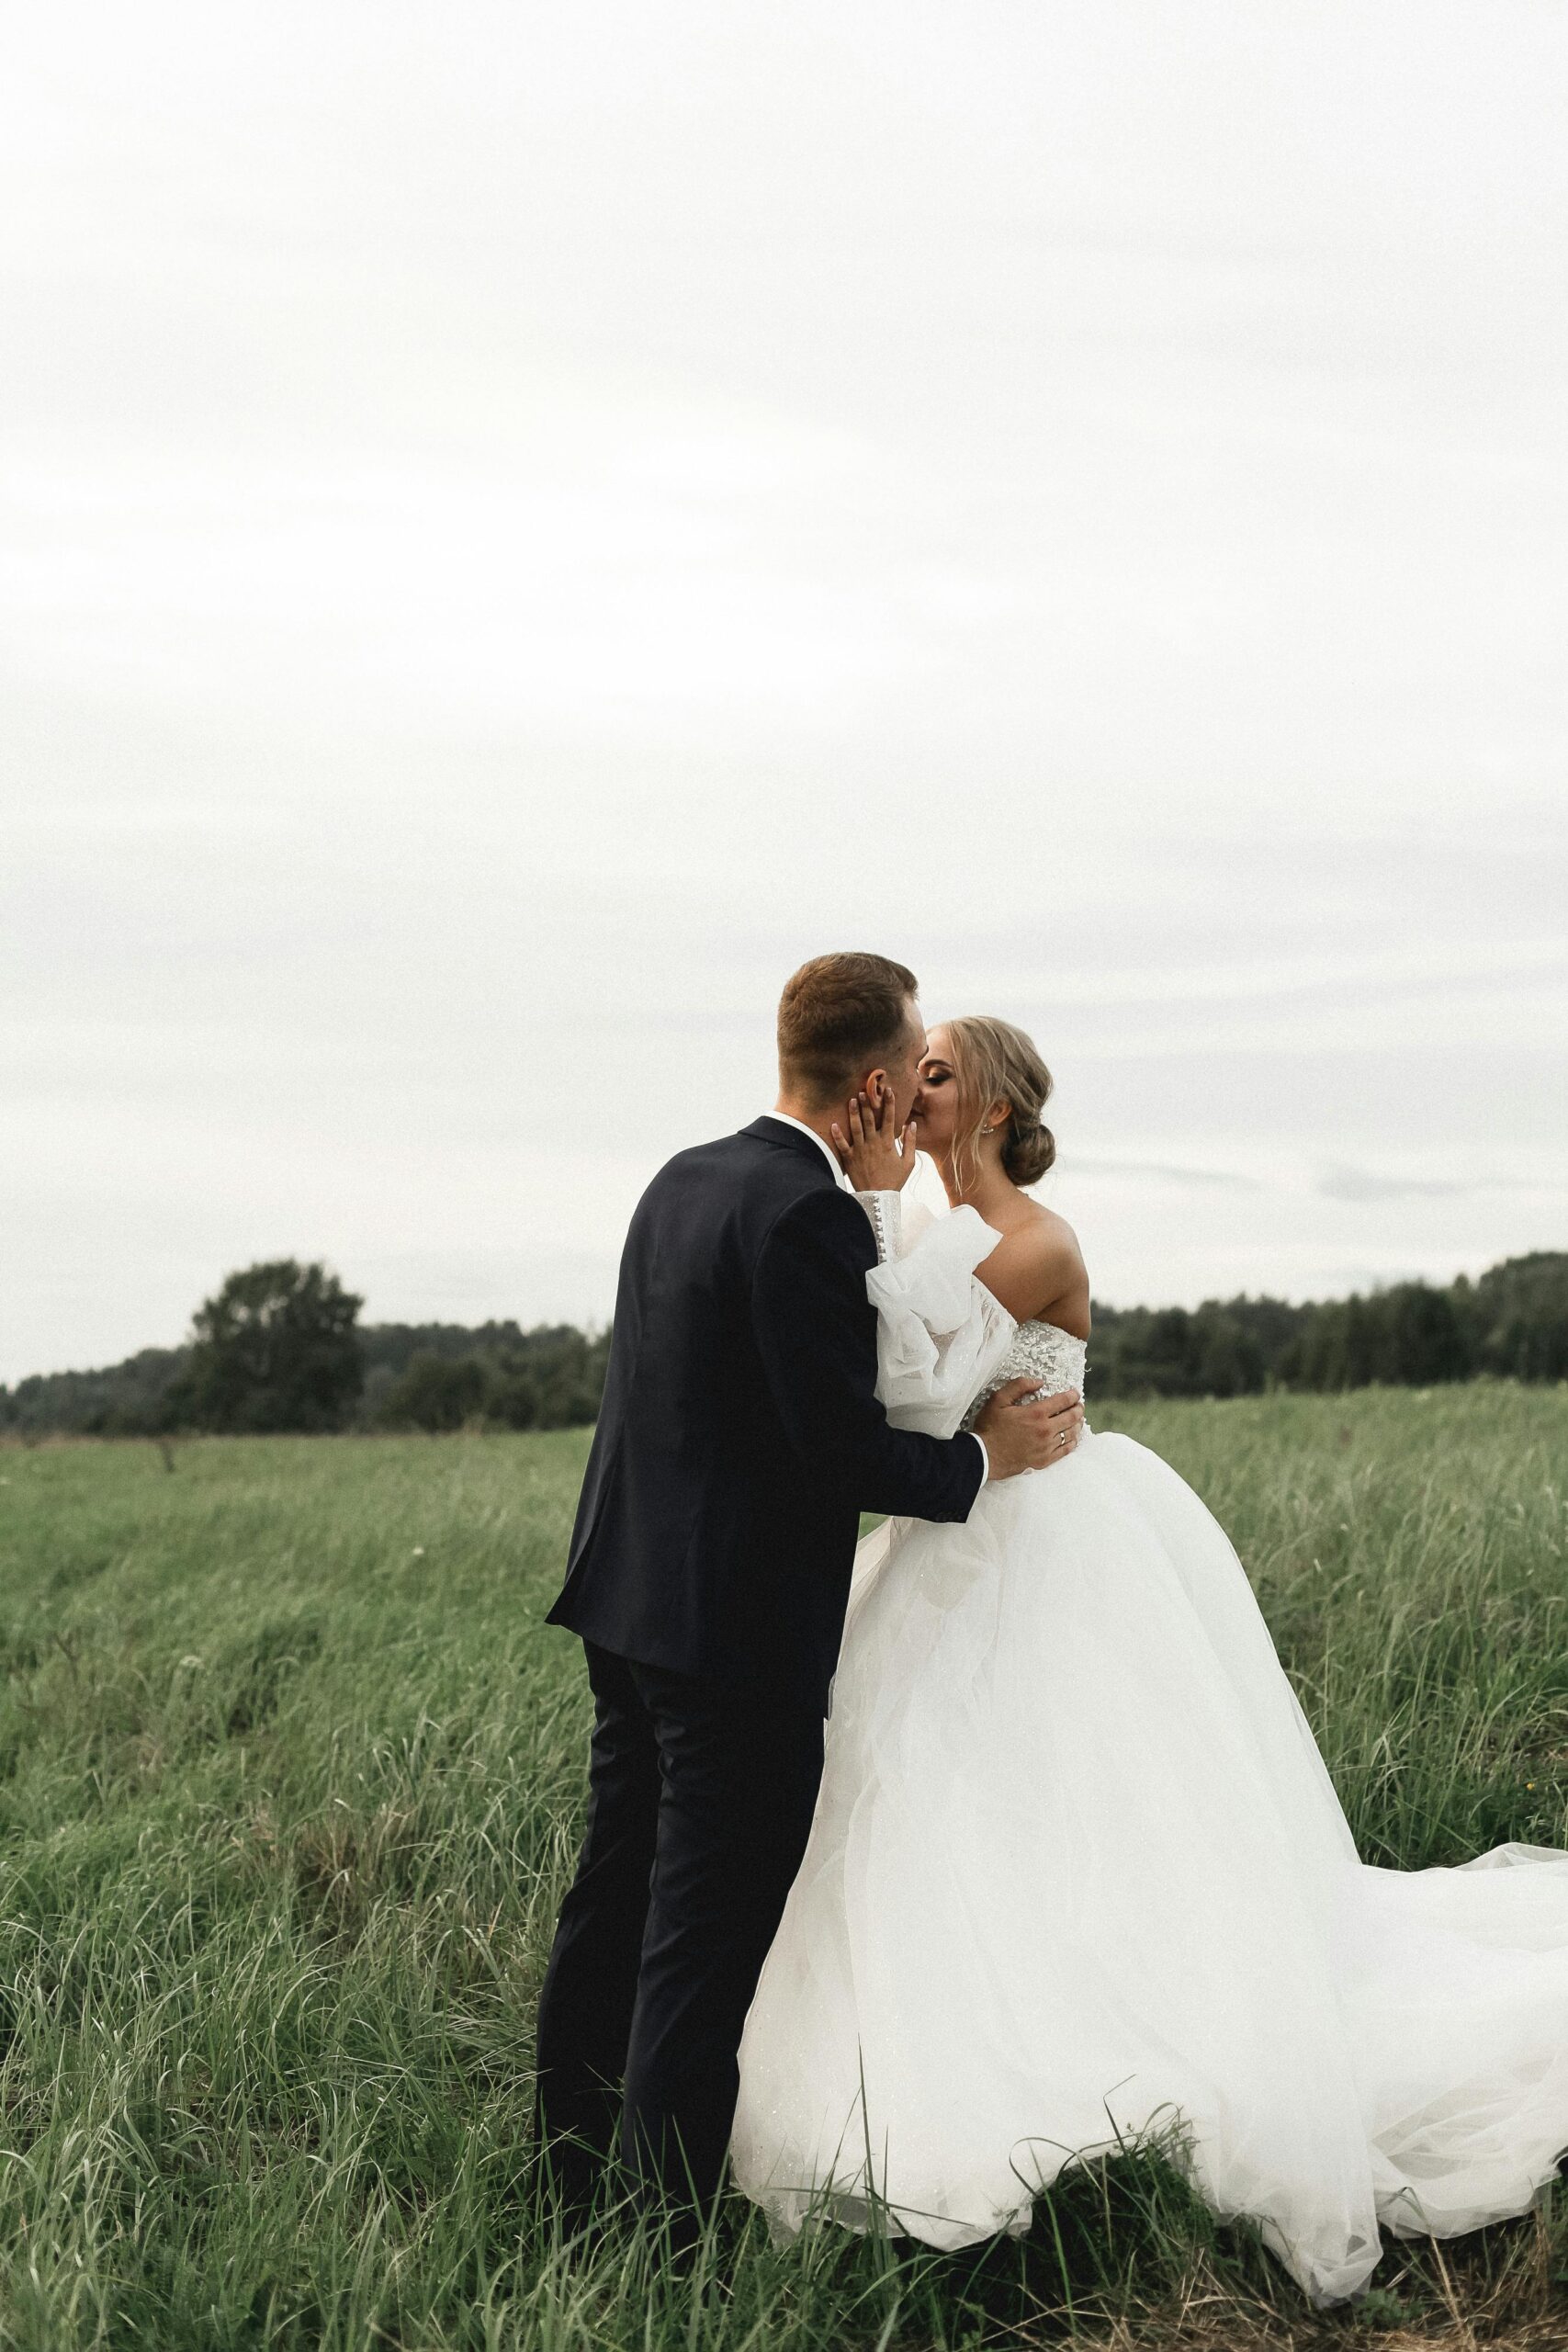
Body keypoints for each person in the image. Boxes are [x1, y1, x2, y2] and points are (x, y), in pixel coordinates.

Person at [731, 1013, 1568, 2307]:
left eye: (940, 1074)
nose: (914, 1089)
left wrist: (884, 1200)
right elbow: (899, 1374)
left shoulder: (1037, 1240)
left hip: (1040, 1549)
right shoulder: (953, 1236)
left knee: (1076, 1802)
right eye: (913, 1073)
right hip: (942, 1546)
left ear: (998, 1108)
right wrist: (894, 1217)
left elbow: (903, 1383)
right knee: (923, 1804)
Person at [534, 956, 1084, 2233]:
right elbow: (836, 1447)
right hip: (731, 1638)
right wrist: (980, 1460)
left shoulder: (686, 1177)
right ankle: (657, 2232)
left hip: (625, 1599)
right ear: (878, 1088)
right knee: (700, 1938)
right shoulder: (811, 1216)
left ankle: (567, 2171)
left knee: (615, 1895)